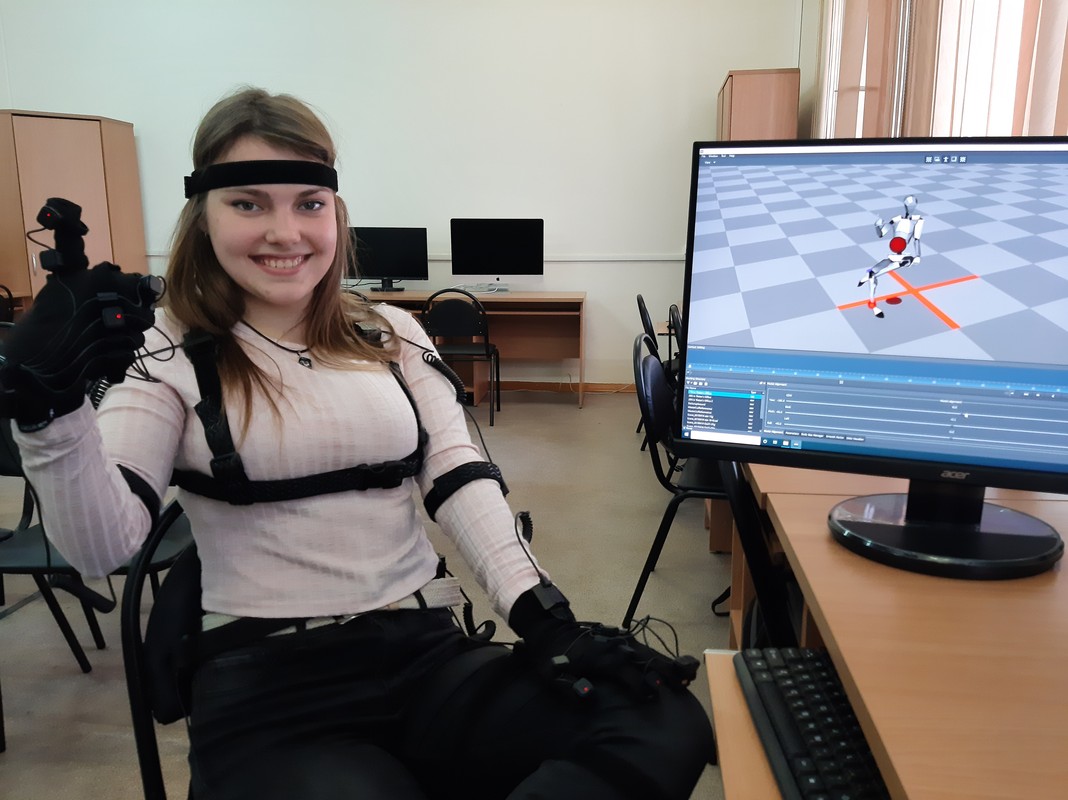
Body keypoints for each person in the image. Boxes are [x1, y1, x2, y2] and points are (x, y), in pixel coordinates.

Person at [2, 87, 715, 799]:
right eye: (248, 204)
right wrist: (51, 415)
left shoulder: (388, 330)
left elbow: (460, 477)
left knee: (659, 721)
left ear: (335, 213)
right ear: (203, 215)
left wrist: (546, 619)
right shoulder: (166, 350)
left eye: (309, 203)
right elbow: (103, 548)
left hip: (426, 653)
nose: (286, 232)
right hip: (270, 685)